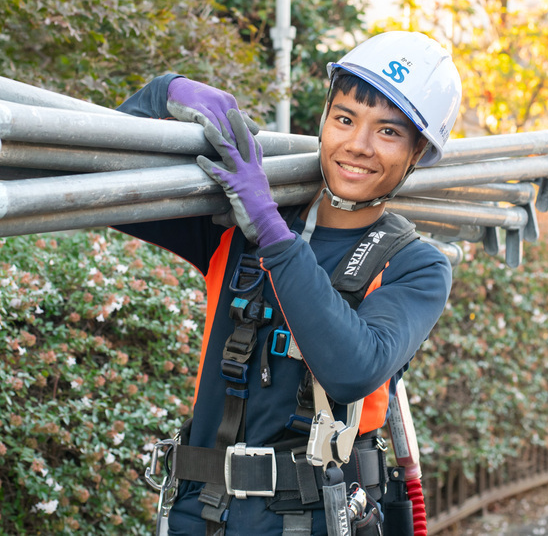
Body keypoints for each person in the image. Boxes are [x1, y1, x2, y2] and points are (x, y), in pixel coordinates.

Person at [116, 31, 462, 535]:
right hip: (201, 512)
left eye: (388, 132)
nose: (358, 146)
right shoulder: (234, 224)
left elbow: (352, 368)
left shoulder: (416, 265)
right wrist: (167, 92)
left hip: (319, 517)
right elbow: (101, 180)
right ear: (324, 121)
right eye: (344, 119)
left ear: (418, 151)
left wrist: (271, 231)